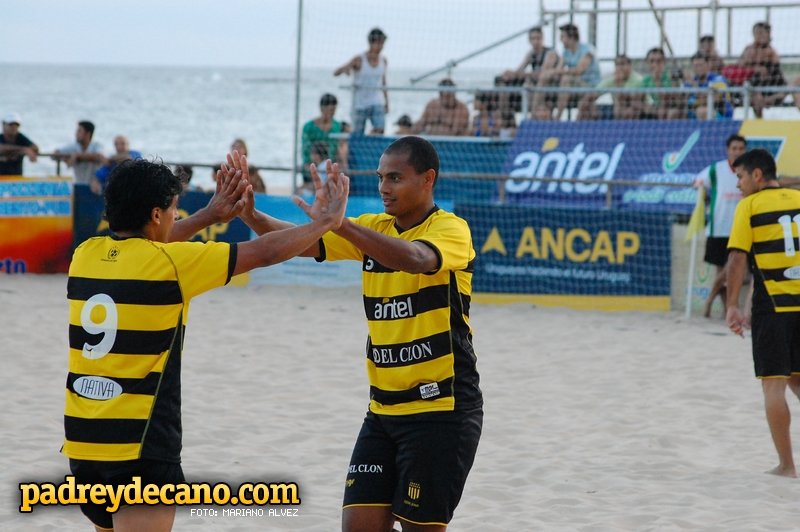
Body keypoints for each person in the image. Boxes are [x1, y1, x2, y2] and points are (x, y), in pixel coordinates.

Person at [63, 152, 348, 531]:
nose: (177, 218)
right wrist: (327, 222)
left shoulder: (85, 255)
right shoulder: (174, 266)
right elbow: (264, 252)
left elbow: (152, 245)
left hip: (84, 441)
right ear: (155, 215)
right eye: (174, 210)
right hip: (139, 444)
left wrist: (210, 215)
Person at [236, 136, 483, 531]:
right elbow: (302, 242)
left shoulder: (451, 229)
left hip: (441, 412)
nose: (384, 187)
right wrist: (250, 215)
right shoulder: (374, 228)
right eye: (381, 177)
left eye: (396, 178)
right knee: (358, 525)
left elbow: (414, 258)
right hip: (383, 410)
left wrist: (342, 224)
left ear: (427, 179)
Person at [725, 148, 800, 479]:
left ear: (757, 175)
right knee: (798, 378)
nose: (738, 185)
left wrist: (732, 306)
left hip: (774, 308)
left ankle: (786, 466)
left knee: (774, 386)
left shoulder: (749, 206)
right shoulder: (797, 198)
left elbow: (738, 259)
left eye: (740, 177)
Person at [693, 134, 747, 318]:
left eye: (741, 148)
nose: (737, 151)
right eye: (734, 148)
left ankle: (709, 301)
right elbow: (698, 183)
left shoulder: (749, 170)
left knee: (730, 271)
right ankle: (727, 310)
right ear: (728, 150)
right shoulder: (716, 169)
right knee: (722, 272)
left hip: (740, 229)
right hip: (718, 227)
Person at [536, 23, 601, 120]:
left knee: (566, 79)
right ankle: (535, 112)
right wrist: (548, 73)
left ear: (571, 37)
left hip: (589, 86)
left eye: (562, 37)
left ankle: (558, 117)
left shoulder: (587, 50)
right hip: (573, 86)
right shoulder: (566, 52)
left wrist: (556, 71)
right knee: (545, 77)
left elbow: (579, 71)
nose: (560, 40)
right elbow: (558, 70)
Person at [334, 27, 388, 135]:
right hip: (360, 103)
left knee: (380, 129)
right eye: (378, 43)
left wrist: (387, 102)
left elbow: (384, 83)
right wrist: (346, 69)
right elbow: (337, 72)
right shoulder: (359, 59)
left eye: (382, 43)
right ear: (371, 43)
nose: (381, 47)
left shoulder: (383, 61)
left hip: (376, 101)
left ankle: (371, 145)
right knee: (358, 133)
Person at [497, 26, 560, 119]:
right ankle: (506, 120)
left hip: (550, 85)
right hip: (534, 84)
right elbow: (520, 70)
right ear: (529, 40)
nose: (536, 41)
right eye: (533, 38)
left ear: (542, 39)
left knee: (529, 84)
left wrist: (521, 74)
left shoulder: (550, 53)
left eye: (538, 38)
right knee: (502, 82)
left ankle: (531, 117)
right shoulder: (531, 53)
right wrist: (509, 74)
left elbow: (542, 73)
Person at [738, 22, 787, 118]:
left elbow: (776, 71)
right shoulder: (749, 50)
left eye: (762, 33)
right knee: (755, 94)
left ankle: (768, 100)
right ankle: (759, 119)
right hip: (754, 84)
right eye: (756, 33)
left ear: (768, 34)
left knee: (784, 89)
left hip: (771, 84)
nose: (758, 36)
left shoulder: (772, 52)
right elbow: (740, 66)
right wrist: (755, 67)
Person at [302, 93, 345, 188]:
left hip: (332, 163)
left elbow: (340, 146)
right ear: (322, 109)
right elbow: (305, 149)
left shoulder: (337, 126)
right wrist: (310, 164)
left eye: (334, 110)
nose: (332, 113)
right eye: (330, 110)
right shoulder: (309, 127)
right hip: (313, 162)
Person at [583, 54, 644, 120]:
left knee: (629, 111)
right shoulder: (611, 79)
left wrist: (619, 84)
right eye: (617, 65)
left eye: (622, 64)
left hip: (638, 111)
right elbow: (593, 94)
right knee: (586, 106)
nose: (619, 67)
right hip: (617, 110)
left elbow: (626, 101)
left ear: (630, 66)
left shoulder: (638, 80)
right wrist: (591, 106)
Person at [683, 53, 732, 120]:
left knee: (702, 111)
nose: (698, 68)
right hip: (694, 116)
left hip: (720, 116)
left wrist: (695, 86)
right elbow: (680, 101)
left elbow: (714, 99)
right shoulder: (689, 82)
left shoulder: (718, 79)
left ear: (708, 65)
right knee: (676, 112)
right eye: (695, 66)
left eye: (700, 65)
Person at [641, 47, 681, 120]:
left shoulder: (671, 77)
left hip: (672, 109)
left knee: (667, 112)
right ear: (647, 62)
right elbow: (639, 99)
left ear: (664, 62)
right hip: (655, 109)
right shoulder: (646, 80)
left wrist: (657, 80)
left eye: (658, 61)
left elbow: (667, 100)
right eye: (652, 61)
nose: (655, 64)